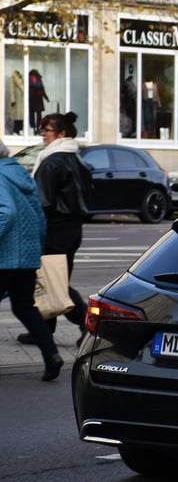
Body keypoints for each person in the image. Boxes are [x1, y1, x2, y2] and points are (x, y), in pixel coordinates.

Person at [17, 112, 91, 349]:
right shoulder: (76, 158)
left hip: (54, 229)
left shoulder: (52, 161)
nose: (42, 136)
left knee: (54, 282)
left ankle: (88, 324)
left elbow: (42, 201)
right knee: (55, 278)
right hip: (71, 228)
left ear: (61, 134)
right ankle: (44, 329)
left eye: (46, 131)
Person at [0, 139, 64, 381]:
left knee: (24, 307)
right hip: (26, 256)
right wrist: (35, 247)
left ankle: (51, 356)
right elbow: (39, 215)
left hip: (4, 258)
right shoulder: (20, 173)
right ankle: (52, 356)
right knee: (26, 307)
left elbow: (6, 212)